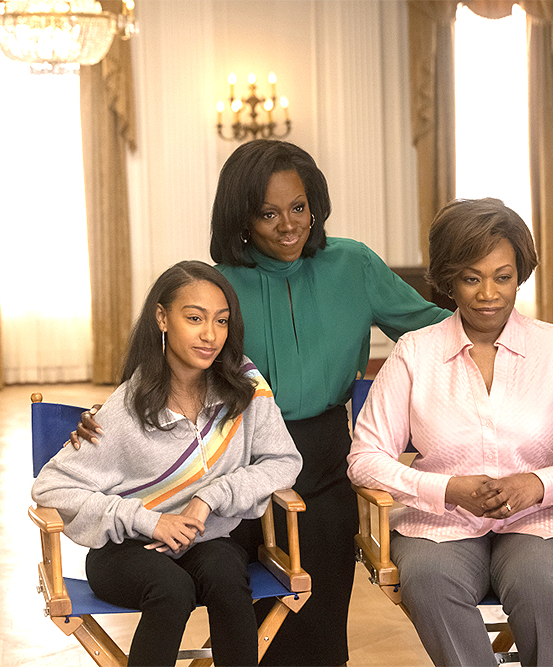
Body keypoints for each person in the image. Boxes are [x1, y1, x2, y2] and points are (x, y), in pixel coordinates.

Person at [73, 140, 450, 666]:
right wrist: (99, 421)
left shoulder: (354, 264)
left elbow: (434, 329)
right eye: (268, 214)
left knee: (317, 622)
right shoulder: (219, 285)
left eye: (299, 207)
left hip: (322, 461)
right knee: (246, 612)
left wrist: (509, 331)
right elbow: (166, 364)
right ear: (242, 218)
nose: (289, 225)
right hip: (233, 461)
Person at [347, 198, 553, 667]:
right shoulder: (413, 353)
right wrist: (447, 489)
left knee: (539, 584)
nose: (488, 293)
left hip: (539, 522)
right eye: (472, 278)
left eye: (502, 277)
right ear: (449, 280)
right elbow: (365, 457)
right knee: (428, 581)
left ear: (519, 275)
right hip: (437, 526)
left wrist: (539, 485)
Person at [34, 261, 302, 667]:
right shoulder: (125, 408)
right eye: (194, 318)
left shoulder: (244, 388)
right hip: (124, 551)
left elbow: (283, 461)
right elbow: (50, 486)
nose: (210, 335)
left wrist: (210, 498)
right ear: (162, 317)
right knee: (171, 589)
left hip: (204, 539)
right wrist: (147, 520)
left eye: (221, 321)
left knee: (229, 579)